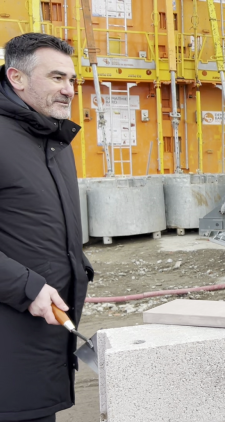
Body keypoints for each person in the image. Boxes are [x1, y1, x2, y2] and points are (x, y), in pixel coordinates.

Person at [0, 33, 94, 422]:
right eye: (57, 78)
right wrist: (27, 286)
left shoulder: (54, 140)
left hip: (45, 334)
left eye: (72, 80)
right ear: (16, 78)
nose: (69, 90)